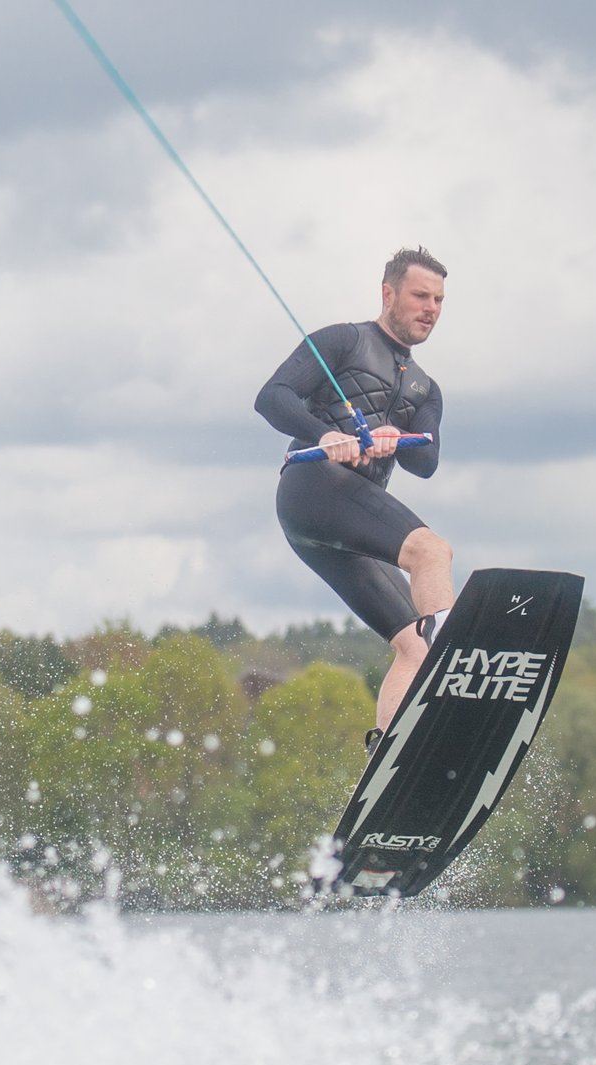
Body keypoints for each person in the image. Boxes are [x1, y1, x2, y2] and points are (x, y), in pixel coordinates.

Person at [255, 247, 454, 749]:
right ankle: (453, 690)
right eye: (420, 296)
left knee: (413, 644)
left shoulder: (426, 390)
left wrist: (398, 436)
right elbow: (272, 397)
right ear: (389, 293)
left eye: (438, 300)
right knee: (431, 552)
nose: (430, 308)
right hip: (313, 490)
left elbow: (425, 462)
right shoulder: (343, 342)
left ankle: (391, 759)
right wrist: (323, 434)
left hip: (343, 528)